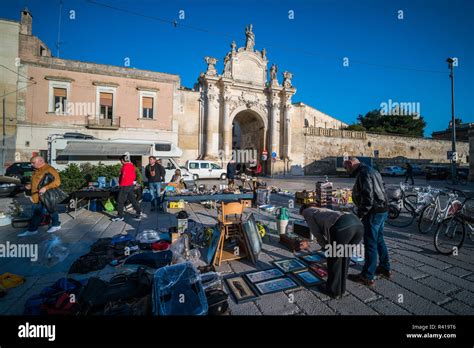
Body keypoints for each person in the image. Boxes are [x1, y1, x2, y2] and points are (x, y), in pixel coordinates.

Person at [343, 157, 392, 287]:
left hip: (373, 212)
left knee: (370, 243)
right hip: (383, 209)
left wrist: (359, 214)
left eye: (346, 167)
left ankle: (367, 276)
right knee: (379, 239)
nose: (346, 171)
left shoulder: (364, 173)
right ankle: (385, 268)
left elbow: (368, 198)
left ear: (350, 163)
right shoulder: (372, 170)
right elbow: (382, 189)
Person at [300, 203, 363, 299]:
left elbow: (316, 233)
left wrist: (325, 247)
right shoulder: (321, 210)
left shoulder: (307, 212)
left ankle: (333, 291)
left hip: (341, 227)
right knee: (345, 256)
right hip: (357, 225)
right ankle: (341, 288)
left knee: (334, 259)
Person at [18, 156, 62, 237]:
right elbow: (38, 182)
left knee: (48, 211)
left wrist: (46, 187)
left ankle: (53, 226)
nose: (31, 164)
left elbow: (57, 182)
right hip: (37, 196)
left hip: (46, 196)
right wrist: (30, 185)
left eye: (33, 163)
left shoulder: (49, 169)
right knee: (43, 212)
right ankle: (35, 229)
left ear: (41, 161)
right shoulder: (37, 170)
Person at [112, 154, 142, 221]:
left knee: (120, 201)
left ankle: (120, 216)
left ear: (122, 160)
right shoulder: (132, 166)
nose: (121, 162)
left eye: (121, 161)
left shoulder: (124, 167)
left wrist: (120, 184)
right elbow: (134, 177)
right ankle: (139, 212)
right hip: (131, 185)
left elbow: (123, 177)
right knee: (133, 200)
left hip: (124, 186)